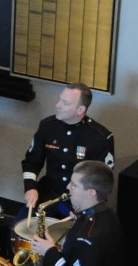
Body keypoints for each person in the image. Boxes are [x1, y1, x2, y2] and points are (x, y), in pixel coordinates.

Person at [17, 83, 115, 223]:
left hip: (80, 204)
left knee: (68, 242)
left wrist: (82, 207)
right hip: (47, 195)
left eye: (65, 103)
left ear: (80, 109)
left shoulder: (100, 137)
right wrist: (30, 188)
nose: (58, 105)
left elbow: (102, 181)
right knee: (17, 229)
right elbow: (31, 162)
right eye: (59, 100)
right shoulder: (47, 126)